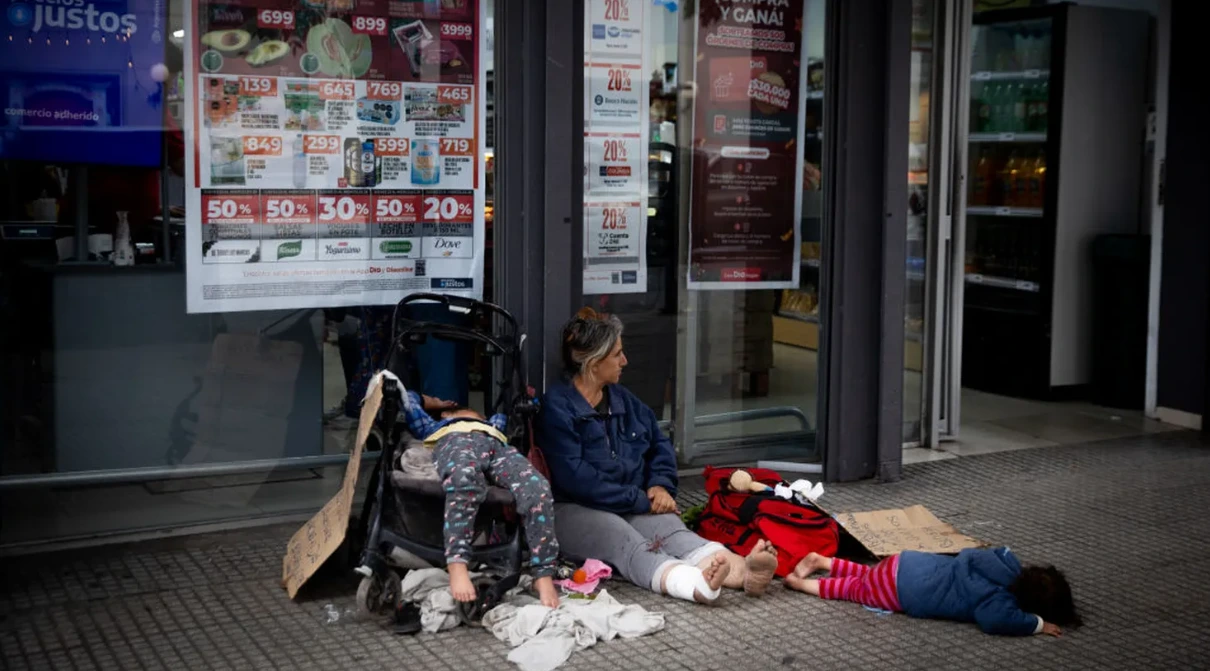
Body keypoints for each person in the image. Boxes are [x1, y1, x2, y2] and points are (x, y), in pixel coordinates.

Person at [538, 307, 779, 605]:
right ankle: (695, 586)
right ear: (593, 363)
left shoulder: (625, 402)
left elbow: (659, 446)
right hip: (574, 509)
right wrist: (642, 500)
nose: (624, 361)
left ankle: (745, 573)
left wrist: (660, 485)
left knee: (674, 532)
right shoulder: (558, 408)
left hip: (632, 502)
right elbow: (577, 479)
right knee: (626, 542)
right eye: (617, 355)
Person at [397, 385, 561, 608]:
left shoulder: (492, 425)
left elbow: (507, 413)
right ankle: (457, 562)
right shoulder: (437, 425)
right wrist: (435, 403)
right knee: (464, 479)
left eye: (481, 415)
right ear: (448, 415)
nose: (479, 417)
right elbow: (408, 400)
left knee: (537, 487)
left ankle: (543, 573)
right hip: (457, 443)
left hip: (497, 448)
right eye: (473, 413)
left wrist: (523, 399)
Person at [786, 548, 1081, 637]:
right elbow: (996, 621)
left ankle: (823, 560)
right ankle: (800, 584)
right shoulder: (999, 601)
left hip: (909, 562)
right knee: (855, 589)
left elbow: (988, 552)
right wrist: (1037, 624)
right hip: (905, 590)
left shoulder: (1005, 562)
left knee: (869, 574)